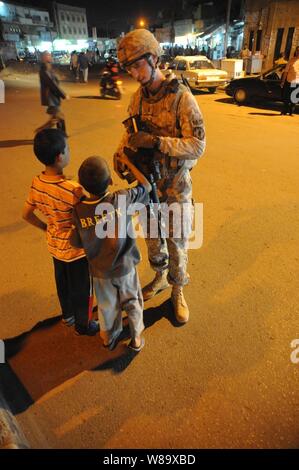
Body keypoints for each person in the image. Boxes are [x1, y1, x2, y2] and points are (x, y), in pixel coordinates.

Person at [114, 29, 206, 324]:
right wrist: (120, 155)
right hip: (147, 185)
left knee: (177, 241)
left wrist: (157, 143)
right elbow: (129, 134)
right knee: (153, 238)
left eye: (137, 65)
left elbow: (198, 145)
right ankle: (161, 277)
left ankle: (177, 290)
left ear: (154, 58)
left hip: (175, 186)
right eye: (128, 68)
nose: (133, 73)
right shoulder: (137, 100)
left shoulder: (182, 98)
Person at [71, 155, 151, 352]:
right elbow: (147, 186)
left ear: (81, 185)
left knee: (107, 307)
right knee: (132, 302)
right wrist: (130, 162)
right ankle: (136, 339)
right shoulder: (121, 198)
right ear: (110, 181)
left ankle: (108, 338)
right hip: (125, 269)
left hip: (100, 273)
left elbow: (75, 242)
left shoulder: (79, 210)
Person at [22, 129, 99, 336]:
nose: (69, 151)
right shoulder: (73, 190)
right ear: (60, 157)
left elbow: (26, 214)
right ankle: (84, 324)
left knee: (63, 283)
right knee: (82, 289)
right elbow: (89, 216)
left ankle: (68, 316)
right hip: (76, 251)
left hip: (55, 247)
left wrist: (45, 227)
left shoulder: (37, 183)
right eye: (68, 148)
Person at [36, 51, 69, 135]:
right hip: (50, 97)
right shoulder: (44, 69)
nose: (50, 56)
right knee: (59, 117)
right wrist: (63, 95)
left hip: (52, 97)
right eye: (48, 55)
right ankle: (60, 134)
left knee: (56, 118)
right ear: (44, 58)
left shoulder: (47, 67)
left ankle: (60, 133)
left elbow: (53, 81)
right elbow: (52, 84)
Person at [280, 46, 299, 116]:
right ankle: (284, 111)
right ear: (296, 51)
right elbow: (286, 71)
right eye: (297, 50)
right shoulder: (291, 60)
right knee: (286, 97)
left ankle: (291, 111)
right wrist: (282, 81)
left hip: (298, 82)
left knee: (294, 98)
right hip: (290, 81)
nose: (298, 52)